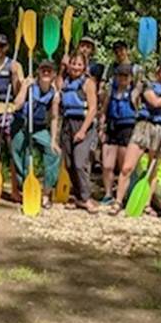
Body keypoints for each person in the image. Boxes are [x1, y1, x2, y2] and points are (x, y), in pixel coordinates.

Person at [111, 57, 161, 216]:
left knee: (153, 170)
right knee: (127, 167)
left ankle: (146, 204)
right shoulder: (148, 85)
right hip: (144, 127)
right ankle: (118, 201)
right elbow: (154, 103)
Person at [10, 60, 62, 208]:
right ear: (38, 72)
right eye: (43, 70)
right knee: (20, 156)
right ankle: (27, 187)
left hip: (38, 128)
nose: (46, 73)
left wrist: (53, 140)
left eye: (49, 71)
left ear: (53, 74)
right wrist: (24, 87)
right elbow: (17, 104)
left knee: (54, 154)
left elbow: (53, 118)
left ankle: (46, 193)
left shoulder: (53, 94)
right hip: (21, 125)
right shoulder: (30, 85)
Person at [58, 52, 99, 212]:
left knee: (80, 162)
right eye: (73, 63)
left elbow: (93, 108)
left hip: (83, 124)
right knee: (68, 164)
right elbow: (57, 86)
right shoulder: (65, 81)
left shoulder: (88, 83)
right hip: (68, 124)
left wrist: (82, 131)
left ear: (84, 66)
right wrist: (62, 67)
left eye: (79, 64)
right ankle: (79, 197)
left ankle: (86, 197)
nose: (75, 67)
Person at [0, 33, 23, 201]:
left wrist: (16, 76)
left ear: (7, 48)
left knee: (11, 151)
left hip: (8, 109)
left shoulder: (14, 65)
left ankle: (15, 189)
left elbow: (18, 93)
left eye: (1, 46)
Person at [99, 63, 138, 205]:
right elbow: (104, 110)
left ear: (130, 77)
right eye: (120, 75)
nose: (122, 78)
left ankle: (123, 194)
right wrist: (101, 128)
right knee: (107, 164)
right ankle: (108, 194)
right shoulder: (111, 91)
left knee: (124, 166)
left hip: (127, 128)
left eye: (125, 76)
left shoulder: (134, 92)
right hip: (111, 127)